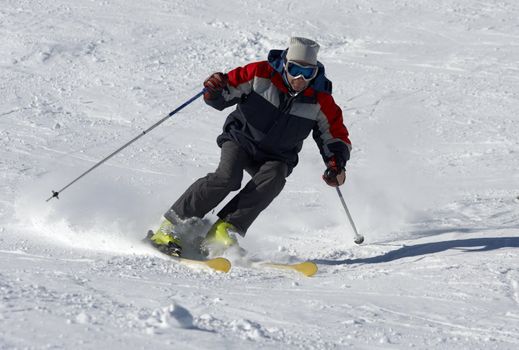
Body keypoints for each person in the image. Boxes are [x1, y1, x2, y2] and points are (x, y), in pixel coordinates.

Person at [149, 37, 351, 256]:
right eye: (294, 69)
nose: (300, 78)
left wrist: (335, 162)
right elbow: (221, 96)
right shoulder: (260, 74)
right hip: (241, 139)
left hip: (278, 155)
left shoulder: (321, 99)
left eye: (307, 73)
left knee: (274, 178)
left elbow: (334, 135)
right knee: (227, 178)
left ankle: (223, 230)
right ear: (285, 64)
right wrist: (215, 88)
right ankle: (171, 225)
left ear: (315, 72)